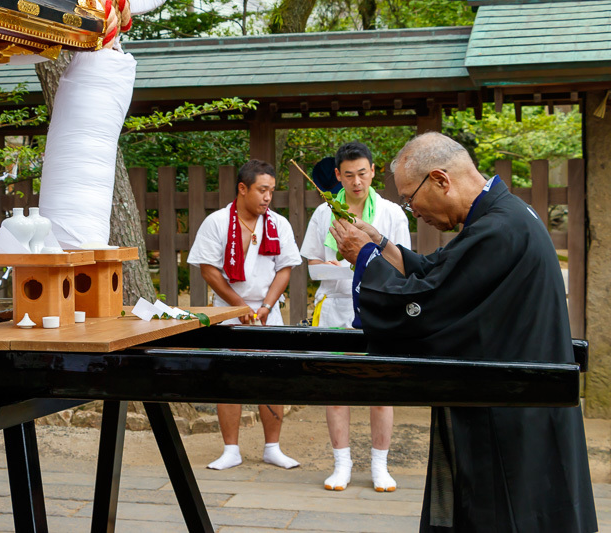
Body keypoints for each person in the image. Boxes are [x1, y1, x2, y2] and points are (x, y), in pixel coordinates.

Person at [329, 132, 597, 533]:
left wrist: (364, 257)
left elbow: (431, 303)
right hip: (516, 397)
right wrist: (380, 245)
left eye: (409, 198)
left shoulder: (498, 229)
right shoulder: (504, 216)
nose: (412, 210)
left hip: (511, 409)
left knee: (508, 513)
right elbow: (443, 273)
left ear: (440, 179)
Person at [300, 142, 411, 493]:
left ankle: (380, 465)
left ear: (374, 171)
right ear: (337, 176)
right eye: (348, 175)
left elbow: (404, 264)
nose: (357, 182)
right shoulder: (324, 213)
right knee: (336, 388)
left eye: (362, 173)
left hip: (379, 307)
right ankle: (341, 463)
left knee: (380, 388)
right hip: (334, 305)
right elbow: (314, 266)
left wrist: (362, 262)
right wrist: (344, 265)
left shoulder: (391, 213)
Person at [187, 159, 302, 470]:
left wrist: (265, 306)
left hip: (268, 310)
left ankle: (272, 447)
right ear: (242, 188)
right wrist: (240, 307)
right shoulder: (218, 222)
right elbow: (209, 272)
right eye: (262, 190)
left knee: (272, 376)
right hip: (228, 310)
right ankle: (230, 449)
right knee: (229, 377)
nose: (268, 197)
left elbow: (285, 269)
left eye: (271, 191)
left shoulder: (278, 224)